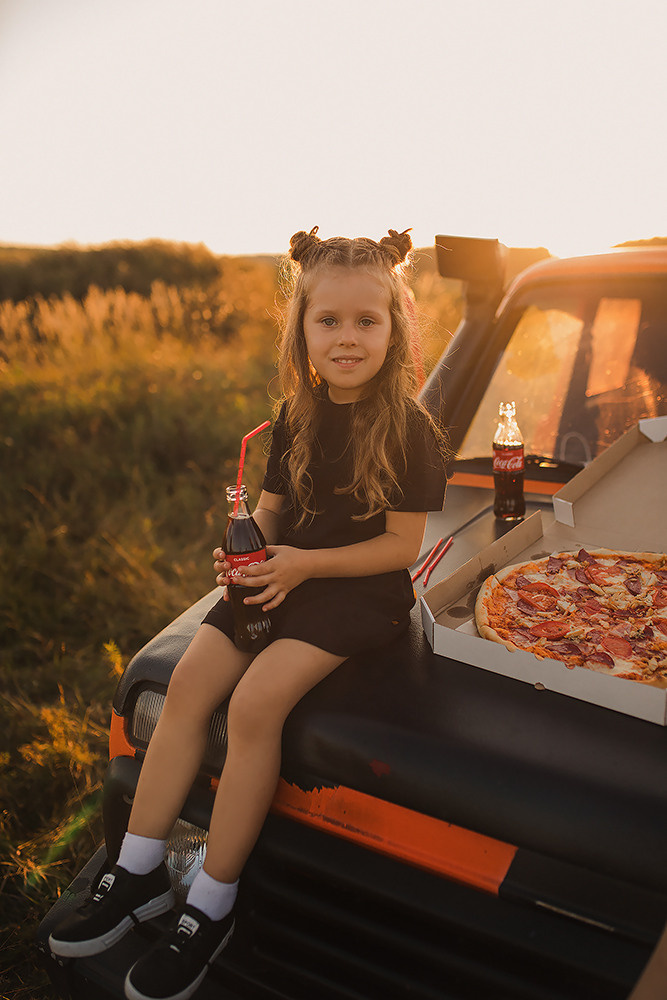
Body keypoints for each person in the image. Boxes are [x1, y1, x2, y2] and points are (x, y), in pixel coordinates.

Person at [48, 227, 448, 1000]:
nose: (346, 337)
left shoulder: (409, 428)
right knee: (194, 680)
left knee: (258, 700)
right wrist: (247, 548)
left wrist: (300, 564)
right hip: (277, 577)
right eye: (327, 320)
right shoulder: (293, 414)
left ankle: (212, 902)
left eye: (367, 321)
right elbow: (269, 512)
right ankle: (137, 873)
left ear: (395, 326)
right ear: (300, 327)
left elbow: (399, 547)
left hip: (355, 592)